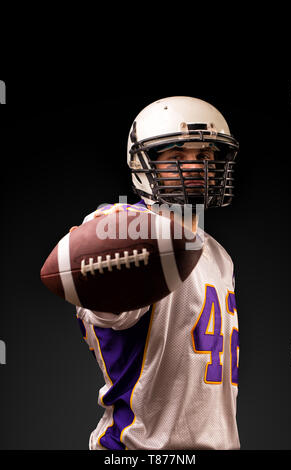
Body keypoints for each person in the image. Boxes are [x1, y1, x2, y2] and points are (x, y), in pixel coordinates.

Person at [74, 96, 240, 450]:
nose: (195, 168)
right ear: (142, 162)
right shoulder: (125, 231)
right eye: (178, 157)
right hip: (139, 449)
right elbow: (108, 310)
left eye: (205, 157)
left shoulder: (219, 256)